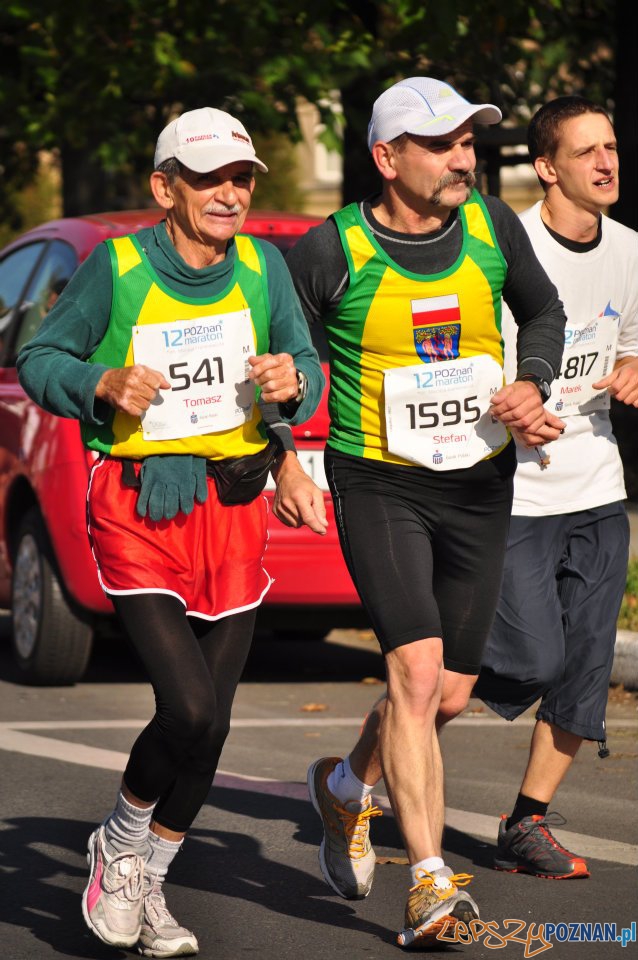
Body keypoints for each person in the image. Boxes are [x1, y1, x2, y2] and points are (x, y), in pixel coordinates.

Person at [17, 106, 326, 958]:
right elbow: (43, 360)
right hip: (139, 504)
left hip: (232, 511)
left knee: (213, 728)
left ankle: (148, 883)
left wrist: (288, 388)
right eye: (208, 178)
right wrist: (102, 380)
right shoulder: (115, 269)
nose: (229, 193)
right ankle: (118, 846)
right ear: (166, 187)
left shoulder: (264, 266)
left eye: (241, 178)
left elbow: (305, 363)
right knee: (186, 707)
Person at [286, 76, 566, 949]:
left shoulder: (491, 225)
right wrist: (283, 453)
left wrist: (532, 380)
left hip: (479, 480)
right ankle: (433, 885)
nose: (462, 160)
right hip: (379, 482)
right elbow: (284, 354)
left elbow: (544, 311)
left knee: (445, 694)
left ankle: (343, 790)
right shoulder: (330, 250)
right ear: (385, 157)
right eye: (441, 145)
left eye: (468, 143)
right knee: (412, 674)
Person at [473, 96, 638, 878]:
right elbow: (458, 362)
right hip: (515, 494)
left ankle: (527, 823)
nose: (607, 162)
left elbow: (634, 345)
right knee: (523, 659)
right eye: (587, 152)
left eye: (611, 147)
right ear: (546, 168)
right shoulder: (504, 248)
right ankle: (358, 773)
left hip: (598, 487)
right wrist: (507, 408)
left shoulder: (631, 248)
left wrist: (637, 366)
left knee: (583, 667)